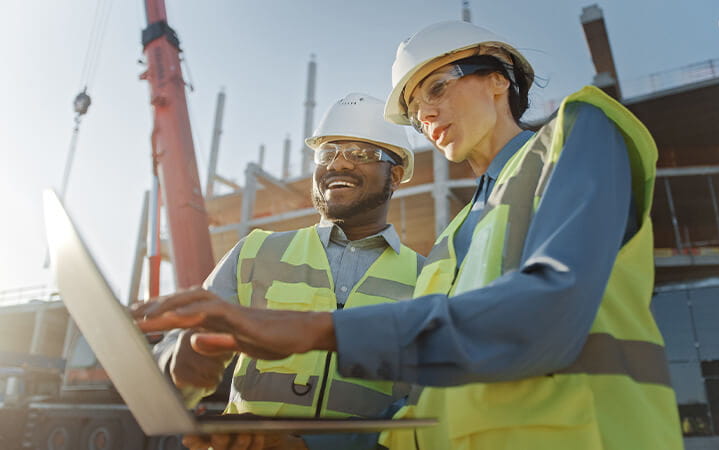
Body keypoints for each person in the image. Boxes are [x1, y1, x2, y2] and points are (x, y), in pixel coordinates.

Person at [136, 21, 683, 450]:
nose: (426, 112)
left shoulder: (576, 135)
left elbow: (547, 316)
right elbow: (423, 409)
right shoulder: (452, 245)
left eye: (438, 87)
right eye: (417, 110)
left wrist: (313, 330)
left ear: (499, 78)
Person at [147, 93, 422, 450]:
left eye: (360, 154)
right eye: (328, 153)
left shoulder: (429, 279)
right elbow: (177, 350)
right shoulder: (255, 252)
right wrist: (177, 361)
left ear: (395, 175)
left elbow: (427, 406)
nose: (340, 164)